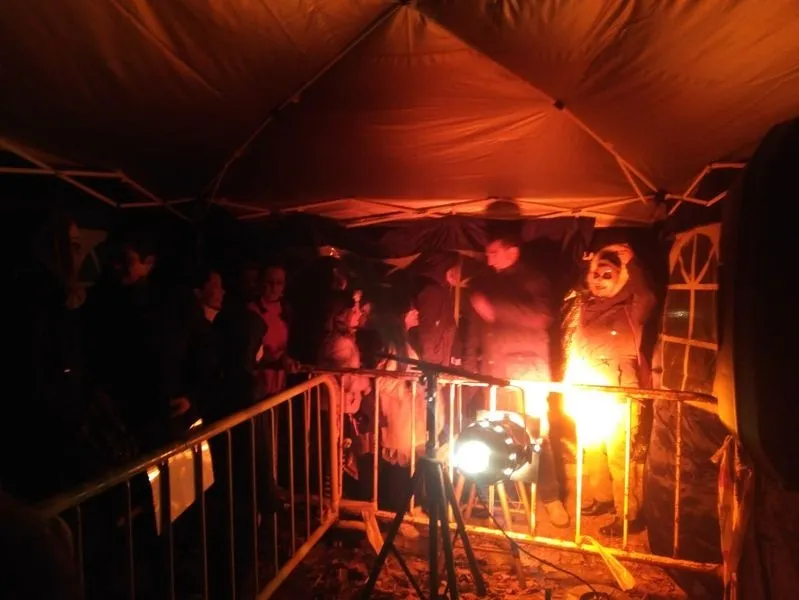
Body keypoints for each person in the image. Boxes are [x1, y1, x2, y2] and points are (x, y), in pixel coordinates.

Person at [465, 229, 570, 528]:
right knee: (495, 434)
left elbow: (542, 316)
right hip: (494, 373)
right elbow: (477, 328)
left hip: (527, 372)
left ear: (513, 252)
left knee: (536, 434)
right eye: (487, 253)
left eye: (494, 252)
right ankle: (504, 495)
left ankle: (551, 497)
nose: (488, 259)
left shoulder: (533, 280)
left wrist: (496, 308)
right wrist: (471, 366)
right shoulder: (485, 283)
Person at [563, 244, 656, 536]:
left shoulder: (631, 307)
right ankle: (603, 498)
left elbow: (648, 296)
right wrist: (570, 386)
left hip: (618, 393)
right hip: (588, 391)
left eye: (608, 274)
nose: (600, 280)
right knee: (591, 449)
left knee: (618, 454)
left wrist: (632, 263)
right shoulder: (586, 307)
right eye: (596, 274)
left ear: (621, 277)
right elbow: (577, 348)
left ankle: (628, 515)